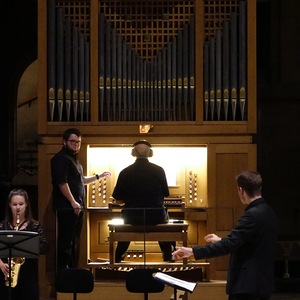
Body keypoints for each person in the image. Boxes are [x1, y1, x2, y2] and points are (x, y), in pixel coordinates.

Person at [172, 171, 278, 300]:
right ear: (259, 188)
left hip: (247, 286)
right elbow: (250, 242)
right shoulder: (269, 211)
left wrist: (192, 251)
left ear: (241, 190)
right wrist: (221, 240)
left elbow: (229, 246)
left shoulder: (252, 215)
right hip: (261, 283)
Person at [51, 127, 111, 270]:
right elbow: (62, 182)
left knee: (74, 241)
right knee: (66, 242)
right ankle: (63, 273)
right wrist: (73, 202)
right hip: (66, 207)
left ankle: (72, 270)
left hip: (76, 207)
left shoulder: (75, 161)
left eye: (78, 142)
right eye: (73, 142)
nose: (76, 145)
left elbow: (80, 181)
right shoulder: (60, 159)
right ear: (64, 142)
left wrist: (98, 177)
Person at [112, 140, 174, 263]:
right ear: (150, 153)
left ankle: (118, 257)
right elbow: (166, 194)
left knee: (125, 221)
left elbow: (117, 199)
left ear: (133, 153)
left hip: (132, 217)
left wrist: (129, 200)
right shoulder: (159, 170)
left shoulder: (125, 172)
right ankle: (168, 255)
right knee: (166, 221)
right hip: (156, 217)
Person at [0, 189, 49, 300]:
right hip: (5, 273)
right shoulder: (3, 226)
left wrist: (29, 246)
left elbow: (45, 247)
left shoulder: (34, 226)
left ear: (26, 205)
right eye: (14, 204)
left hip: (28, 275)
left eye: (21, 204)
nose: (18, 208)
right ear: (9, 205)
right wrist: (0, 264)